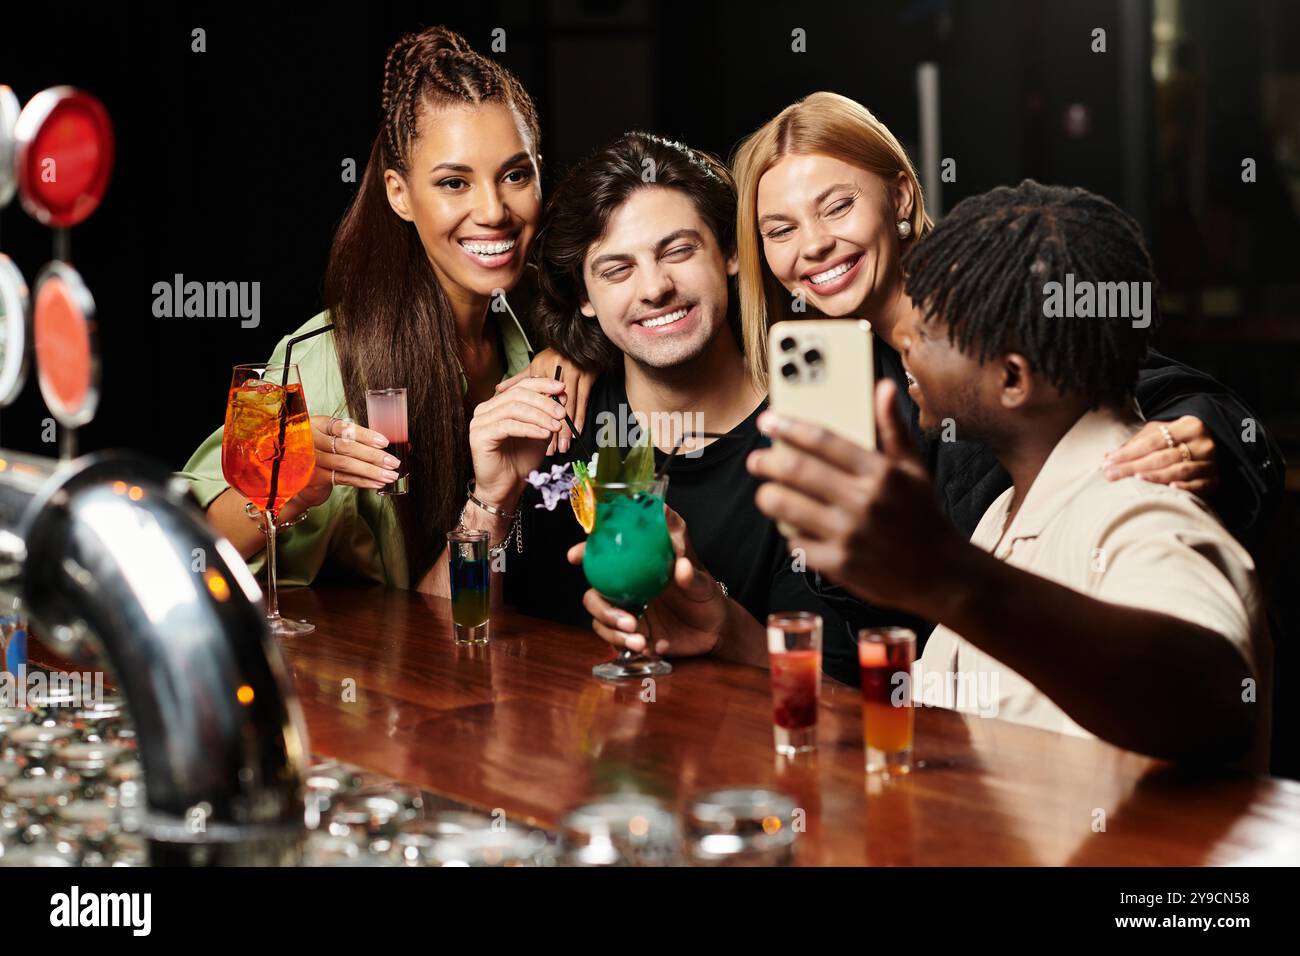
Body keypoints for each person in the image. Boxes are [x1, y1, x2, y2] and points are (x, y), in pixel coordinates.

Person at [730, 90, 1284, 647]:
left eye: (837, 207)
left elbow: (1144, 385)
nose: (815, 244)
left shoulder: (985, 302)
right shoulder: (828, 380)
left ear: (899, 196)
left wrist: (1200, 433)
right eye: (780, 230)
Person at [748, 180, 1271, 768]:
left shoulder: (1138, 510)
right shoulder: (1003, 514)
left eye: (928, 333)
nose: (902, 342)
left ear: (1014, 379)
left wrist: (945, 573)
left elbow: (1213, 703)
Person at [178, 26, 576, 594]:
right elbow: (177, 555)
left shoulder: (540, 336)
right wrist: (275, 493)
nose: (493, 210)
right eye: (454, 183)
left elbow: (453, 615)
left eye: (515, 175)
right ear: (399, 193)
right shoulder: (327, 362)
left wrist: (579, 351)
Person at [476, 131, 851, 677]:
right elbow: (448, 637)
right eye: (616, 270)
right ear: (583, 296)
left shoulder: (818, 422)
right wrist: (491, 500)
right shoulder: (556, 423)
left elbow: (840, 674)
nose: (654, 288)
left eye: (677, 251)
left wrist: (722, 628)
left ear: (729, 253)